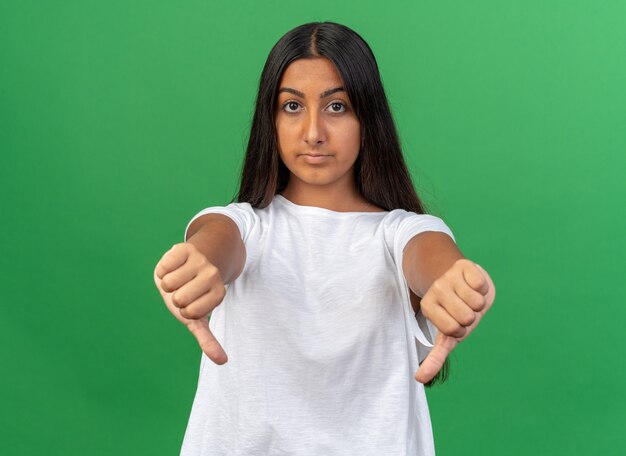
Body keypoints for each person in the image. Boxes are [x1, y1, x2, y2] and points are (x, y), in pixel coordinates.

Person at [154, 21, 496, 456]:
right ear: (270, 119)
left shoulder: (399, 233)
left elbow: (430, 255)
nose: (313, 132)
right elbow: (217, 241)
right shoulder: (243, 225)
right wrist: (197, 264)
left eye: (337, 107)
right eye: (292, 106)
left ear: (367, 118)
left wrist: (455, 282)